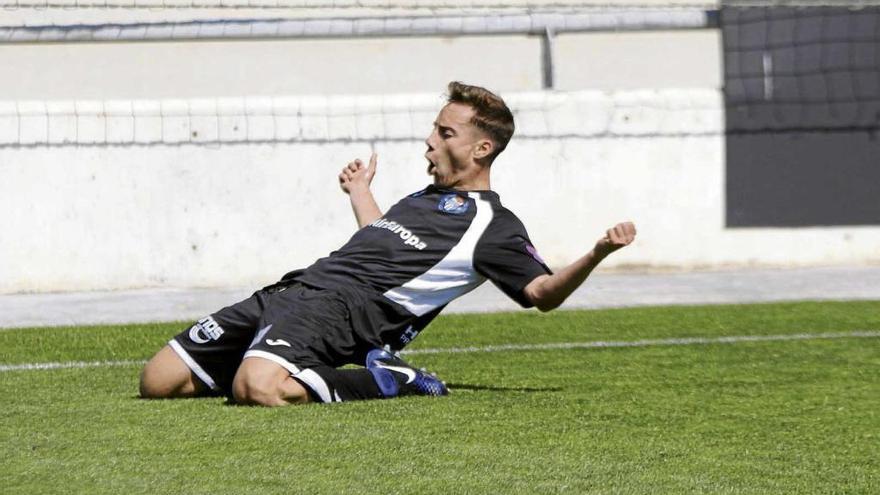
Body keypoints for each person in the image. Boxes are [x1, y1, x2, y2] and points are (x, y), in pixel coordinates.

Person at [139, 81, 636, 406]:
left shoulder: (493, 225)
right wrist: (361, 194)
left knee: (258, 390)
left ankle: (391, 379)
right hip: (294, 290)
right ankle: (282, 360)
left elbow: (542, 293)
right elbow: (377, 247)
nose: (430, 141)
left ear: (481, 148)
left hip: (340, 312)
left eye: (445, 133)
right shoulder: (424, 197)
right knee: (159, 381)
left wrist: (597, 253)